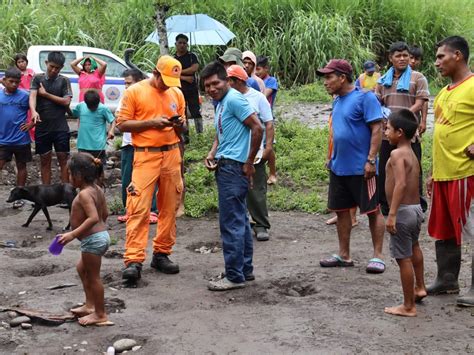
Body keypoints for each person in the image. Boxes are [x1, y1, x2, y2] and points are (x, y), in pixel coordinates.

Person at [116, 55, 186, 282]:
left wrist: (179, 125)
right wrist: (152, 123)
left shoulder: (176, 93)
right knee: (138, 208)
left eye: (170, 81)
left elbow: (182, 130)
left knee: (169, 207)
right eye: (163, 79)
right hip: (145, 155)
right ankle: (134, 260)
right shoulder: (135, 91)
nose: (166, 85)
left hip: (172, 154)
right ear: (155, 72)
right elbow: (122, 124)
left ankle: (162, 253)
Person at [317, 59, 386, 274]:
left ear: (342, 77)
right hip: (339, 168)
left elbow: (377, 129)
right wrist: (331, 157)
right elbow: (337, 132)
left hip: (362, 169)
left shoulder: (365, 98)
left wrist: (371, 160)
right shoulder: (337, 100)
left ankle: (378, 256)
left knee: (373, 211)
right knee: (342, 211)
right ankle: (344, 255)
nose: (325, 82)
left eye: (329, 77)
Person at [202, 61, 263, 291]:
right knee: (240, 221)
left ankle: (234, 276)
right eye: (207, 85)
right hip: (227, 165)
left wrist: (249, 162)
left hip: (234, 168)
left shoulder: (234, 99)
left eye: (215, 83)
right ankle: (243, 271)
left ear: (227, 81)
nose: (211, 88)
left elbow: (257, 128)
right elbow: (223, 135)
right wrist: (212, 153)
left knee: (232, 223)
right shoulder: (220, 103)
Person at [426, 36, 473, 307]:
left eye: (441, 57)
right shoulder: (444, 92)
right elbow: (440, 134)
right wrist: (432, 171)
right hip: (444, 174)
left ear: (458, 55)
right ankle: (447, 279)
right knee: (444, 229)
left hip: (467, 173)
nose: (437, 62)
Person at [375, 41, 430, 215]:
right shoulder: (383, 80)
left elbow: (420, 102)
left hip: (408, 132)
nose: (402, 59)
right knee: (386, 168)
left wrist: (402, 118)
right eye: (398, 56)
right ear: (390, 58)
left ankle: (416, 206)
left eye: (405, 55)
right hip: (388, 134)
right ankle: (385, 205)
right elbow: (377, 103)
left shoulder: (418, 77)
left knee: (414, 169)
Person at [58, 153, 111, 326]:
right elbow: (105, 214)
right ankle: (90, 305)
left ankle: (100, 314)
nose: (69, 178)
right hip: (100, 237)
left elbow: (94, 217)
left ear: (79, 176)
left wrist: (72, 234)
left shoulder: (84, 195)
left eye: (70, 174)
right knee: (82, 269)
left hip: (93, 240)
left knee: (94, 277)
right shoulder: (97, 189)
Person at [384, 109, 426, 317]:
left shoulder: (396, 154)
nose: (385, 132)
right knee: (414, 246)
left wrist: (392, 214)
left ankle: (408, 306)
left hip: (402, 212)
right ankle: (420, 287)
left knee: (403, 258)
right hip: (416, 209)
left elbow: (400, 183)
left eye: (388, 129)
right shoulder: (411, 153)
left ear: (399, 132)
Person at [226, 64, 274, 241]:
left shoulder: (258, 98)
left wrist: (268, 147)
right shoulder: (227, 98)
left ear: (237, 81)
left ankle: (260, 224)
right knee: (234, 188)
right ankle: (239, 222)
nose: (226, 83)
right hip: (233, 151)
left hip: (254, 150)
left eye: (228, 80)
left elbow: (268, 123)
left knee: (256, 189)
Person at [116, 69, 158, 224]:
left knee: (148, 179)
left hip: (145, 143)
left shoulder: (148, 97)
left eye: (129, 83)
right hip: (128, 144)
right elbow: (120, 119)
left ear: (139, 82)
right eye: (125, 83)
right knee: (127, 178)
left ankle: (151, 210)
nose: (126, 86)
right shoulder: (126, 97)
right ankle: (129, 209)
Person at [29, 51, 73, 184]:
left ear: (62, 67)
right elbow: (32, 96)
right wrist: (33, 111)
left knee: (63, 159)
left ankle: (66, 194)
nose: (54, 70)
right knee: (44, 160)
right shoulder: (37, 78)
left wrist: (46, 94)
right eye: (51, 66)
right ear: (46, 63)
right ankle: (46, 194)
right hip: (42, 127)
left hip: (60, 127)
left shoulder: (64, 80)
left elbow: (66, 102)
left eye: (57, 68)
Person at [0, 67, 33, 209]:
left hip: (21, 139)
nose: (14, 84)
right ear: (4, 81)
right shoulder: (0, 96)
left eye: (16, 82)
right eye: (11, 81)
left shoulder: (25, 96)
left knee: (21, 166)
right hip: (3, 140)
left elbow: (37, 111)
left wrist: (31, 124)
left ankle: (19, 196)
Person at [325, 113, 358, 227]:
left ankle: (352, 217)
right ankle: (342, 215)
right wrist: (329, 156)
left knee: (351, 187)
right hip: (336, 154)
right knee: (340, 190)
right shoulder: (336, 107)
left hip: (350, 156)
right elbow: (332, 136)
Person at [72, 90, 115, 166]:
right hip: (83, 144)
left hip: (98, 146)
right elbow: (74, 114)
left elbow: (113, 120)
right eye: (90, 106)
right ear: (85, 102)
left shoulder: (103, 108)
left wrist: (111, 131)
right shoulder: (80, 106)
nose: (92, 108)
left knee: (99, 169)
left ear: (98, 101)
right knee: (83, 169)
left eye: (95, 106)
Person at [255, 55, 279, 185]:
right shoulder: (253, 80)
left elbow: (263, 96)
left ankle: (273, 173)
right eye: (255, 69)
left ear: (266, 68)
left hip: (266, 118)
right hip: (255, 118)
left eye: (258, 69)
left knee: (268, 147)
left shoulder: (271, 81)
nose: (256, 72)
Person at [174, 33, 203, 134]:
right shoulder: (173, 58)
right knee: (182, 113)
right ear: (176, 44)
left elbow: (194, 68)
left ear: (187, 44)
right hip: (178, 90)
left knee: (196, 112)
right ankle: (185, 136)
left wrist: (179, 72)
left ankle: (200, 134)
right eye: (180, 43)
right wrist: (185, 78)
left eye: (184, 43)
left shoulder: (192, 56)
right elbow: (171, 73)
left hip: (192, 89)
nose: (182, 45)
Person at [14, 53, 35, 142]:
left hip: (31, 97)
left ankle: (32, 138)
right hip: (20, 99)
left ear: (26, 62)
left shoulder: (31, 72)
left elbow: (35, 83)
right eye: (19, 62)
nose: (21, 64)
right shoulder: (16, 74)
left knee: (31, 117)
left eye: (23, 61)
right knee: (22, 117)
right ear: (16, 64)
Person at [409, 46, 429, 138]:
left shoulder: (420, 78)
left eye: (416, 59)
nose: (413, 61)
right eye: (411, 57)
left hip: (414, 119)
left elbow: (424, 101)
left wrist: (423, 121)